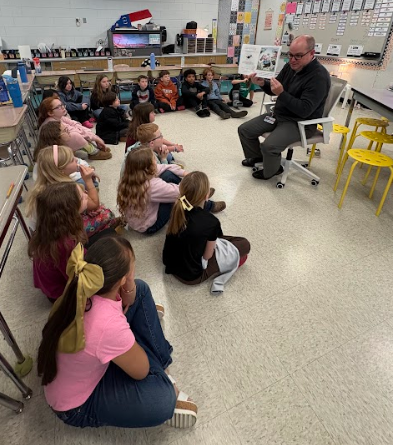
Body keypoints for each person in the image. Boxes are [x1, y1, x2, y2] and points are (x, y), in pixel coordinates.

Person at [37, 236, 198, 428]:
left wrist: (130, 284)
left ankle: (159, 361)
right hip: (76, 406)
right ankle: (165, 378)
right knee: (163, 400)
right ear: (121, 279)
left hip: (76, 372)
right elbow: (141, 371)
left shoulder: (81, 287)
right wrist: (129, 336)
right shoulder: (106, 324)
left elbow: (128, 299)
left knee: (141, 289)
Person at [238, 35, 331, 180]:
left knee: (269, 146)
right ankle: (260, 159)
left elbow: (304, 110)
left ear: (312, 53)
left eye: (298, 56)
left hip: (299, 122)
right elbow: (275, 89)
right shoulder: (291, 66)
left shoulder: (319, 77)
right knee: (245, 130)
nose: (292, 60)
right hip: (280, 114)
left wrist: (281, 93)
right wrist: (262, 83)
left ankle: (272, 170)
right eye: (290, 55)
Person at [163, 171, 250, 293]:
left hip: (171, 265)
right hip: (191, 276)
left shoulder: (177, 210)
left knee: (219, 239)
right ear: (206, 196)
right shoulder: (211, 222)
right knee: (244, 244)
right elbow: (207, 256)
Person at [117, 147, 225, 235]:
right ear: (147, 168)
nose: (156, 161)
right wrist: (194, 184)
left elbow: (165, 167)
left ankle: (200, 193)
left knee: (167, 174)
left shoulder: (132, 175)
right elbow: (181, 192)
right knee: (182, 199)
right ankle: (206, 203)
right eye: (154, 159)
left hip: (138, 219)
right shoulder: (151, 187)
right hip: (149, 226)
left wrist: (185, 174)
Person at [26, 145, 116, 237]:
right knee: (107, 215)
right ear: (61, 170)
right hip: (61, 236)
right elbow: (94, 205)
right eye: (72, 160)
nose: (77, 160)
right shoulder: (69, 190)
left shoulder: (39, 187)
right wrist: (88, 180)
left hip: (41, 234)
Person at [28, 182, 88, 302]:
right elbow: (76, 279)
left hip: (56, 283)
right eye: (82, 197)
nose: (86, 195)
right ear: (70, 209)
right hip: (61, 295)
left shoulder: (51, 227)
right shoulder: (64, 245)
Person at [38, 97, 111, 160]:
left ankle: (93, 147)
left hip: (60, 147)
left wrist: (94, 137)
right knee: (76, 136)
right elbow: (75, 133)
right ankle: (93, 152)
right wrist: (94, 138)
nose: (63, 107)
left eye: (62, 104)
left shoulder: (59, 117)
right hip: (54, 153)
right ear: (50, 113)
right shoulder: (52, 124)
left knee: (81, 131)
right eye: (59, 107)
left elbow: (76, 125)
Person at [34, 121, 99, 189]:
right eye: (65, 130)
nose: (69, 132)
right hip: (57, 185)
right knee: (91, 182)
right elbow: (68, 174)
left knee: (88, 173)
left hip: (63, 177)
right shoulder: (54, 155)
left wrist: (86, 167)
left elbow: (77, 161)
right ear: (57, 137)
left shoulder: (57, 150)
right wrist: (86, 172)